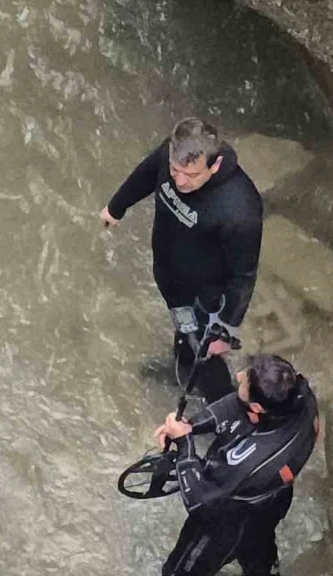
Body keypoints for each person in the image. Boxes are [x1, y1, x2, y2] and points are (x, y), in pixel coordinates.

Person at [140, 354, 319, 576]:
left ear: (259, 407)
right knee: (259, 546)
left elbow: (201, 502)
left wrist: (185, 446)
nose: (237, 377)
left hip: (227, 522)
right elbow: (239, 406)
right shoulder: (299, 395)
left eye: (244, 381)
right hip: (272, 502)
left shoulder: (251, 464)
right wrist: (192, 426)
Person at [99, 117, 263, 401]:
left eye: (191, 175)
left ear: (215, 165)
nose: (180, 181)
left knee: (205, 350)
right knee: (183, 327)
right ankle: (183, 361)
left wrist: (225, 330)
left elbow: (243, 276)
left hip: (207, 295)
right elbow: (147, 173)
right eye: (175, 171)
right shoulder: (172, 154)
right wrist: (116, 208)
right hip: (170, 272)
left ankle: (222, 407)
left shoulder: (240, 210)